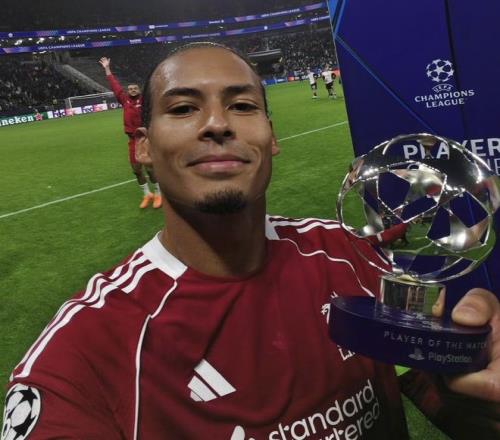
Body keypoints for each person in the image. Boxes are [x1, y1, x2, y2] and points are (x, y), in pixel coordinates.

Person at [3, 42, 499, 439]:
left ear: (271, 137)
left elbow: (438, 394)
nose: (217, 124)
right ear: (144, 147)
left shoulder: (347, 254)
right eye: (183, 108)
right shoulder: (87, 350)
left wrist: (474, 384)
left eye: (242, 105)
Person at [99, 57, 162, 209]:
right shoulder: (124, 99)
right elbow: (114, 86)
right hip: (132, 140)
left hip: (146, 139)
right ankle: (147, 194)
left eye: (135, 88)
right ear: (127, 91)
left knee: (150, 169)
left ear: (139, 90)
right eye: (130, 89)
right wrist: (107, 69)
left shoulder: (146, 101)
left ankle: (158, 193)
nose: (133, 90)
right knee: (136, 170)